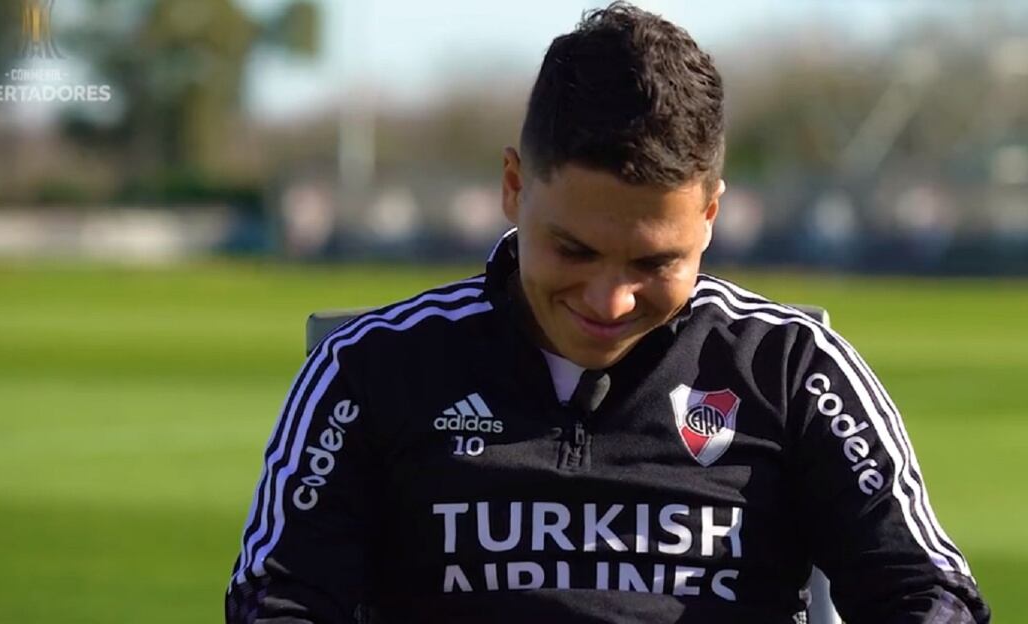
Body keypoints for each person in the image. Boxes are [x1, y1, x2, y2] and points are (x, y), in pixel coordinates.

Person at [225, 3, 990, 622]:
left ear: (712, 214)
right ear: (515, 187)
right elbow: (278, 599)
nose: (610, 301)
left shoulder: (790, 368)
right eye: (574, 251)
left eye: (656, 263)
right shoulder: (372, 367)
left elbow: (926, 593)